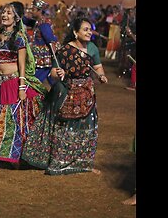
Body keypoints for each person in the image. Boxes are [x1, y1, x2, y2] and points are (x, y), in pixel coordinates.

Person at [22, 17, 108, 175]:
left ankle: (84, 163)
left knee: (88, 127)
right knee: (65, 128)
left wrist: (101, 76)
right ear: (76, 32)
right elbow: (54, 72)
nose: (89, 32)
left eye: (90, 29)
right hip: (67, 92)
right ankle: (60, 161)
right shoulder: (64, 50)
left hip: (87, 94)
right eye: (85, 29)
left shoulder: (93, 49)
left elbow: (98, 68)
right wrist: (58, 73)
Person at [0, 1, 47, 173]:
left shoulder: (19, 37)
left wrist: (21, 88)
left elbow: (22, 65)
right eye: (4, 12)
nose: (4, 15)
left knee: (8, 121)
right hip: (2, 84)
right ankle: (13, 157)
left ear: (16, 17)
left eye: (9, 13)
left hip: (15, 83)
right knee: (5, 120)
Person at [25, 0, 59, 86]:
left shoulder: (43, 24)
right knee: (53, 82)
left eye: (33, 10)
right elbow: (26, 21)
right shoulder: (38, 22)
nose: (31, 12)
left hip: (44, 60)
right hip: (42, 59)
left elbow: (50, 41)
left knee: (34, 82)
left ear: (39, 11)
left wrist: (56, 61)